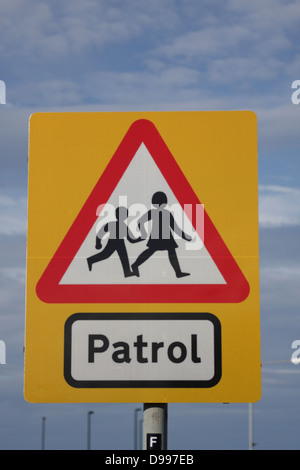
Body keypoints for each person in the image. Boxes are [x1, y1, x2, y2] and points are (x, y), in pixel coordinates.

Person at [131, 191, 192, 278]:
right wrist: (185, 237)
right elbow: (175, 228)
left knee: (157, 251)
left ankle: (135, 265)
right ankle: (178, 273)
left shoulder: (156, 212)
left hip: (162, 236)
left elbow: (140, 221)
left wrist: (143, 233)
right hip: (163, 236)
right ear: (165, 202)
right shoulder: (165, 213)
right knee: (157, 251)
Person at [87, 206, 141, 278]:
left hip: (118, 242)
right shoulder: (120, 225)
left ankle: (127, 271)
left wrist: (98, 243)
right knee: (106, 255)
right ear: (126, 216)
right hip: (114, 242)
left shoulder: (117, 225)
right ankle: (90, 260)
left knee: (121, 256)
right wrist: (98, 243)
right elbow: (131, 240)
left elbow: (100, 234)